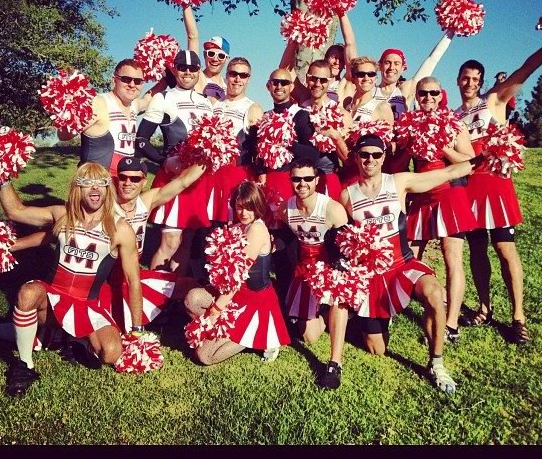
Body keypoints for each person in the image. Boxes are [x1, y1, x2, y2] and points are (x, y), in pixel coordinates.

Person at [0, 157, 206, 347]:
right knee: (103, 336)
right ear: (113, 182)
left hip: (129, 275)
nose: (128, 183)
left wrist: (213, 150)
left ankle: (201, 326)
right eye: (123, 178)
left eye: (135, 178)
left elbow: (183, 182)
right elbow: (57, 232)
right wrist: (13, 245)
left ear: (144, 181)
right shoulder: (102, 204)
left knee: (185, 285)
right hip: (102, 281)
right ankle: (62, 337)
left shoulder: (146, 201)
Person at [329, 135, 474, 392]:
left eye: (376, 154)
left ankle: (437, 363)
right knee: (376, 349)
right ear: (356, 158)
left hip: (402, 264)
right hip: (372, 275)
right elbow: (338, 235)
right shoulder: (346, 196)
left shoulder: (398, 182)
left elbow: (447, 173)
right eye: (364, 155)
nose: (370, 160)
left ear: (384, 157)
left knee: (434, 293)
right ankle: (365, 317)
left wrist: (482, 161)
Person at [0, 162, 142, 396]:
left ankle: (70, 338)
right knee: (28, 293)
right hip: (53, 298)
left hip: (87, 304)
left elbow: (133, 280)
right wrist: (1, 176)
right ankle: (25, 366)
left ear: (108, 189)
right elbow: (16, 211)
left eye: (101, 184)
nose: (95, 189)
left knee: (111, 353)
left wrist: (137, 330)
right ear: (77, 188)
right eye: (87, 184)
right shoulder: (62, 214)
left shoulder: (120, 228)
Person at [454, 40, 542, 344]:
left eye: (475, 79)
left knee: (505, 249)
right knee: (476, 251)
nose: (470, 83)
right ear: (458, 79)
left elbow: (528, 67)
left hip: (496, 186)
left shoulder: (494, 101)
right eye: (465, 78)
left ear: (481, 82)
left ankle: (518, 317)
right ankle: (484, 308)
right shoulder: (453, 116)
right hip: (468, 188)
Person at [183, 182, 290, 364]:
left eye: (249, 207)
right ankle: (226, 330)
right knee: (192, 299)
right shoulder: (238, 226)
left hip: (254, 302)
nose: (244, 213)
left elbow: (236, 277)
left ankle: (254, 336)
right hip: (234, 295)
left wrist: (216, 310)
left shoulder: (256, 229)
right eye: (239, 207)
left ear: (258, 206)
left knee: (204, 356)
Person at [405, 78, 477, 343]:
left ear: (441, 94)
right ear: (417, 96)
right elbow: (401, 161)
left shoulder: (454, 123)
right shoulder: (410, 123)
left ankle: (451, 323)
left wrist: (443, 146)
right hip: (422, 194)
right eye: (423, 93)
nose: (428, 97)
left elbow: (470, 161)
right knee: (409, 256)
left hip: (449, 193)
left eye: (433, 92)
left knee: (451, 257)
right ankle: (399, 305)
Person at [135, 49, 213, 274]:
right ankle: (153, 289)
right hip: (174, 178)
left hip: (199, 179)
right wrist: (164, 161)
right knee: (170, 242)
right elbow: (141, 141)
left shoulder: (206, 102)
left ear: (198, 71)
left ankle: (174, 291)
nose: (188, 72)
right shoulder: (163, 98)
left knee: (186, 242)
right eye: (182, 67)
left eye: (193, 68)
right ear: (174, 70)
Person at [276, 159, 348, 342]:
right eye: (296, 179)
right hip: (303, 270)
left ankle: (341, 311)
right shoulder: (285, 209)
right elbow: (285, 240)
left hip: (329, 270)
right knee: (309, 336)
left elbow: (346, 248)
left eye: (308, 178)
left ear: (317, 180)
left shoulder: (332, 209)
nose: (302, 184)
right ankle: (324, 312)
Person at [57, 59, 165, 176]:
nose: (132, 85)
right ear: (114, 80)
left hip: (124, 176)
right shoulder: (99, 103)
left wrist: (167, 78)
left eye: (138, 81)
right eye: (126, 79)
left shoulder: (134, 104)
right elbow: (63, 135)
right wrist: (66, 110)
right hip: (98, 178)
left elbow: (148, 98)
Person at [210, 57, 263, 222]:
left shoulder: (253, 108)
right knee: (204, 224)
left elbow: (260, 150)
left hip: (236, 174)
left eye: (243, 75)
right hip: (210, 173)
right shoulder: (214, 104)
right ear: (226, 75)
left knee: (233, 223)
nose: (237, 79)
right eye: (233, 74)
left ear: (248, 79)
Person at [259, 69, 321, 204]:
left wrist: (289, 143)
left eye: (284, 83)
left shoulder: (301, 115)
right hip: (269, 183)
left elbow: (314, 154)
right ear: (268, 86)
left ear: (291, 87)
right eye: (275, 82)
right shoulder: (265, 116)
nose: (279, 86)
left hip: (292, 184)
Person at [300, 59, 352, 199]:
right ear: (307, 79)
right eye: (313, 79)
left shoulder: (340, 113)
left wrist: (336, 136)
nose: (317, 84)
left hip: (328, 179)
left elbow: (348, 160)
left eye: (323, 80)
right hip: (301, 181)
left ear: (329, 82)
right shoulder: (300, 108)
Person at [338, 56, 393, 188]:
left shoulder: (382, 107)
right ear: (353, 78)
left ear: (376, 78)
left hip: (367, 179)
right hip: (344, 173)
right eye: (361, 74)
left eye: (371, 74)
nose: (366, 78)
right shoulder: (346, 107)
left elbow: (387, 150)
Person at [279, 12, 357, 105]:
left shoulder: (345, 87)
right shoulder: (307, 93)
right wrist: (297, 36)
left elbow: (350, 44)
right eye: (333, 57)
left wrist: (341, 12)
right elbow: (285, 69)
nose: (337, 62)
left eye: (341, 59)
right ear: (325, 58)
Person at [181, 4, 230, 101]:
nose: (215, 59)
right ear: (204, 55)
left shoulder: (229, 85)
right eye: (211, 54)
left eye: (221, 56)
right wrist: (185, 2)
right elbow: (192, 37)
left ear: (227, 59)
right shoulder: (196, 76)